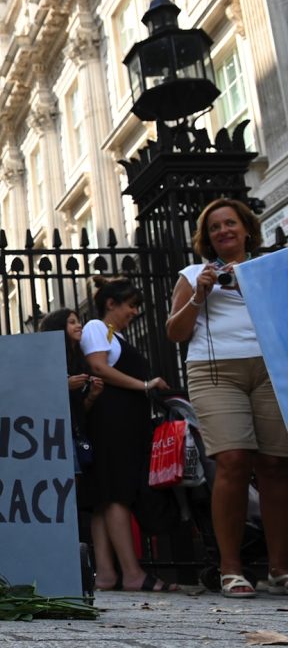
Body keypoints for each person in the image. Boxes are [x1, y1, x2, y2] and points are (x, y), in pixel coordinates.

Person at [166, 198, 288, 598]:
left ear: (246, 229)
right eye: (214, 227)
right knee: (233, 460)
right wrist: (199, 295)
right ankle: (231, 569)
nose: (223, 231)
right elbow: (175, 333)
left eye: (230, 223)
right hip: (214, 371)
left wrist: (250, 283)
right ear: (207, 238)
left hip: (270, 367)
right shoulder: (192, 275)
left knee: (275, 465)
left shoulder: (266, 270)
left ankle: (280, 568)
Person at [80, 276, 177, 593]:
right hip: (111, 424)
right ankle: (132, 573)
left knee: (105, 498)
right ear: (111, 304)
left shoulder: (112, 335)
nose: (135, 312)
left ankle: (107, 574)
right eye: (131, 305)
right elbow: (99, 367)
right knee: (116, 493)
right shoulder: (98, 327)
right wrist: (145, 385)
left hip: (120, 424)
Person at [39, 309, 103, 475]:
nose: (79, 325)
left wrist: (92, 395)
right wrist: (63, 386)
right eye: (72, 322)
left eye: (78, 321)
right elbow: (38, 396)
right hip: (54, 436)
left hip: (77, 434)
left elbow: (80, 410)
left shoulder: (80, 361)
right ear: (59, 327)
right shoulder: (46, 359)